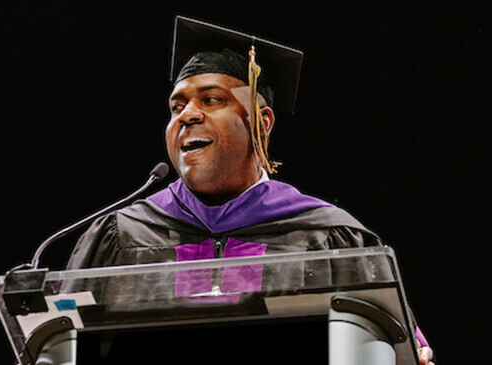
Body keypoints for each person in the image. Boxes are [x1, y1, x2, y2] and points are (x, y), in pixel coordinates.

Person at [64, 16, 434, 364]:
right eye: (177, 106)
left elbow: (390, 343)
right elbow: (63, 338)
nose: (187, 115)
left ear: (261, 121)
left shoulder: (327, 235)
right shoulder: (122, 234)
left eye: (211, 100)